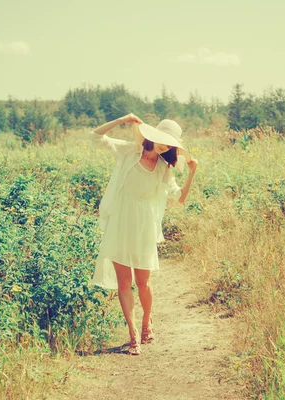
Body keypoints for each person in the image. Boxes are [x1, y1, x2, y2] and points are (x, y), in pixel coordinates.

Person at [90, 113, 197, 355]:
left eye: (170, 144)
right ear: (152, 135)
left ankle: (147, 320)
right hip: (120, 223)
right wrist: (122, 120)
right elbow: (96, 137)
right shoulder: (129, 152)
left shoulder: (163, 168)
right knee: (124, 283)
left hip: (144, 226)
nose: (165, 146)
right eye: (163, 140)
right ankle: (133, 334)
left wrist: (191, 173)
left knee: (143, 282)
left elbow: (180, 197)